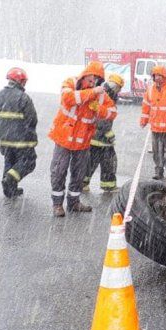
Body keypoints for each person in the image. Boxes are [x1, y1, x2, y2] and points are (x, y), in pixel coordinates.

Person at [48, 61, 117, 217]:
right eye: (90, 80)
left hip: (83, 140)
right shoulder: (71, 82)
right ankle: (57, 205)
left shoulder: (101, 96)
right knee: (59, 171)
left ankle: (74, 202)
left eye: (95, 82)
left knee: (79, 173)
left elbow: (112, 112)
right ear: (84, 75)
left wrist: (98, 108)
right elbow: (68, 98)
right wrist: (91, 93)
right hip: (63, 138)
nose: (92, 84)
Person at [0, 67, 37, 198]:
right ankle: (10, 179)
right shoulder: (23, 98)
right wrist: (31, 139)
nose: (24, 84)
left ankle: (9, 190)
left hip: (5, 139)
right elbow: (32, 119)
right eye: (24, 81)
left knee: (10, 161)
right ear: (19, 81)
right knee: (29, 162)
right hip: (21, 139)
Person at [83, 73, 124, 192]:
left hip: (94, 136)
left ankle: (83, 183)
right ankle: (108, 185)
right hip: (101, 137)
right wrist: (109, 134)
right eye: (117, 87)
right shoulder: (106, 95)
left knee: (91, 161)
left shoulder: (102, 93)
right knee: (108, 161)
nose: (117, 90)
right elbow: (102, 118)